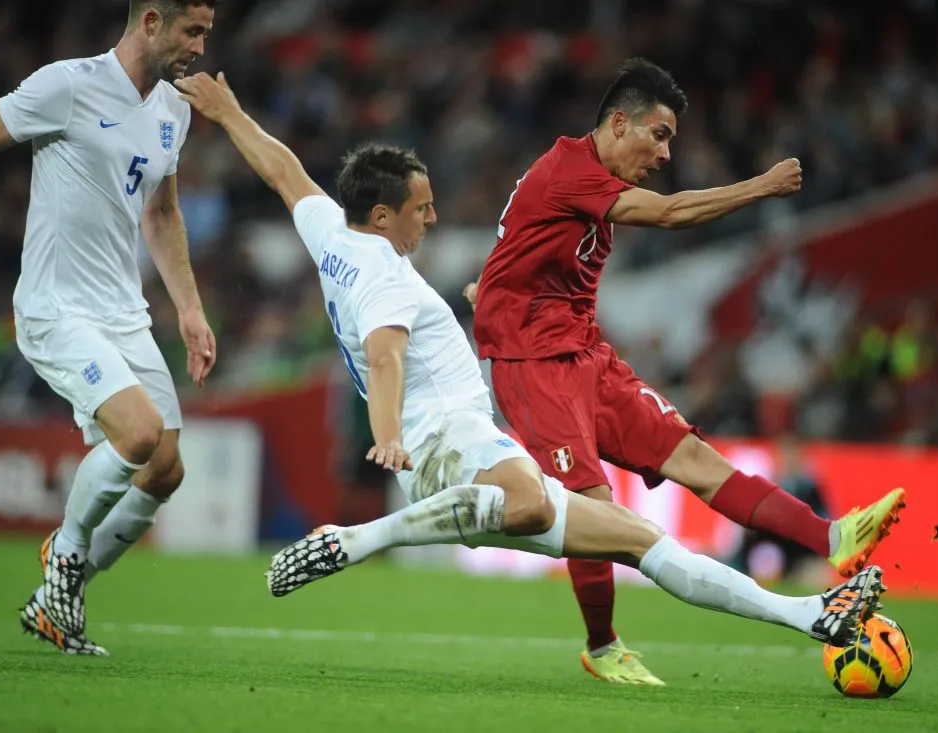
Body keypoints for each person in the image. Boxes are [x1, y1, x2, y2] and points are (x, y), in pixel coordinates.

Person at [173, 71, 887, 681]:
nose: (434, 217)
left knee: (637, 537)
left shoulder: (335, 236)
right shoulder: (387, 277)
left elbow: (283, 170)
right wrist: (386, 434)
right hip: (451, 440)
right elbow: (386, 351)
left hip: (488, 420)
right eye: (423, 208)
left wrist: (228, 112)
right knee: (536, 501)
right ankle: (360, 539)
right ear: (385, 215)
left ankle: (806, 611)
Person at [464, 57, 906, 683]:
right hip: (532, 365)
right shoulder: (570, 171)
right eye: (660, 135)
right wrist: (762, 186)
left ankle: (830, 538)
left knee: (696, 459)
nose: (666, 154)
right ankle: (602, 643)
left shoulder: (576, 177)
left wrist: (491, 284)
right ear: (620, 124)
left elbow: (521, 241)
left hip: (586, 354)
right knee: (594, 509)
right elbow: (669, 215)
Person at [0, 0, 219, 655]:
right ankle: (63, 558)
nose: (201, 47)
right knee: (141, 433)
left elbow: (164, 216)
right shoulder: (65, 84)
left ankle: (55, 599)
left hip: (123, 313)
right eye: (192, 30)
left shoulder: (172, 111)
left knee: (166, 467)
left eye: (207, 32)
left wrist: (192, 309)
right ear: (151, 21)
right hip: (56, 307)